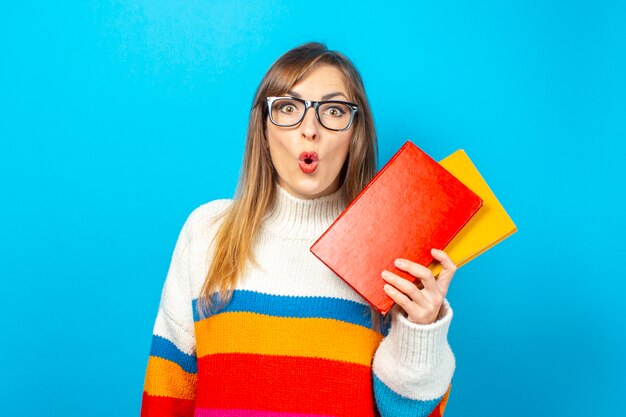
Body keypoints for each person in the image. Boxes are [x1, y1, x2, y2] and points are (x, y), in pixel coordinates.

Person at [140, 42, 457, 417]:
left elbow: (403, 413)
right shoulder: (208, 232)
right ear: (263, 127)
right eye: (288, 108)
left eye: (334, 111)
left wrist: (421, 328)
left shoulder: (392, 243)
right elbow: (167, 395)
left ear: (355, 134)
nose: (310, 130)